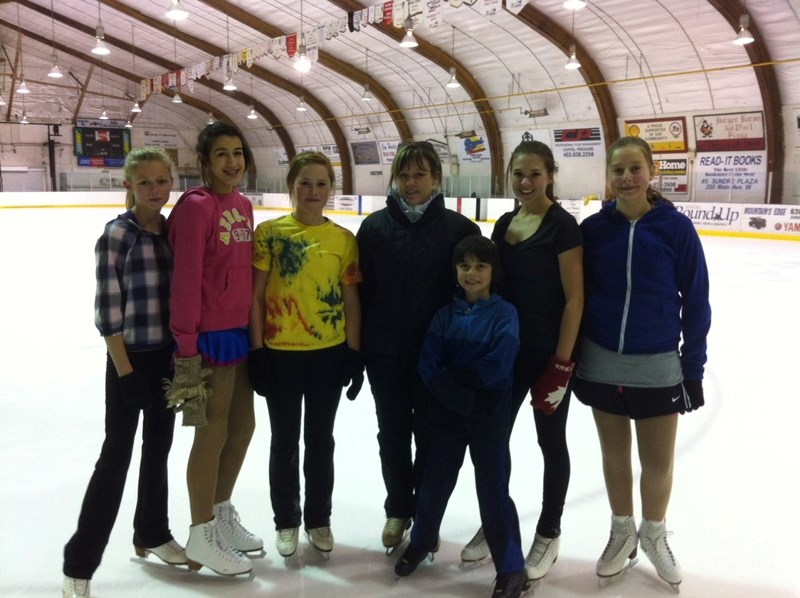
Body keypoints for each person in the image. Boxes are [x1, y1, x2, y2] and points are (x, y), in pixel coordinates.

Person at [572, 136, 710, 590]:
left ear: (652, 172)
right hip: (601, 360)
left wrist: (693, 370)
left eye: (635, 168)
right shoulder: (594, 229)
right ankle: (620, 531)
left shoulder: (676, 229)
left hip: (656, 364)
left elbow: (697, 303)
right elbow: (576, 296)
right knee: (614, 454)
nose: (626, 177)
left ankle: (653, 534)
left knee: (657, 462)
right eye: (617, 170)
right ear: (608, 177)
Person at [63, 147, 185, 598]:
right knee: (116, 457)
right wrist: (126, 373)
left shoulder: (173, 233)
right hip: (128, 359)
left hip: (167, 358)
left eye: (162, 180)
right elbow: (107, 312)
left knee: (159, 449)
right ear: (128, 186)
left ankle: (152, 532)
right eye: (145, 182)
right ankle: (80, 561)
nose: (155, 190)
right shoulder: (117, 235)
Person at [461, 140, 584, 582]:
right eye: (518, 174)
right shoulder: (505, 223)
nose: (525, 182)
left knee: (550, 442)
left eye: (534, 173)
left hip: (549, 354)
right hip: (506, 355)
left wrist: (562, 364)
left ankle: (549, 531)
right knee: (492, 442)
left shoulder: (563, 227)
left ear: (550, 175)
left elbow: (574, 300)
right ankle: (496, 520)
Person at [356, 141, 480, 553]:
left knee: (430, 436)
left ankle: (426, 514)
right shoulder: (373, 229)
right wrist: (357, 354)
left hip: (436, 359)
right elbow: (363, 295)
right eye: (404, 175)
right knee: (391, 433)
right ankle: (398, 509)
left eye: (420, 175)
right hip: (385, 355)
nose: (411, 183)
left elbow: (470, 296)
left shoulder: (459, 230)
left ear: (436, 179)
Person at [394, 235, 528, 598]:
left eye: (480, 266)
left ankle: (512, 569)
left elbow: (499, 363)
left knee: (492, 489)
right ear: (455, 271)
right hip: (448, 415)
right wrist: (453, 395)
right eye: (465, 266)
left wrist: (463, 390)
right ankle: (421, 541)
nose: (472, 273)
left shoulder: (505, 314)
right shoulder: (444, 315)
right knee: (435, 482)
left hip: (488, 416)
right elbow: (429, 363)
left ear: (492, 272)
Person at [249, 151, 363, 559]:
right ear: (291, 187)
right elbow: (256, 295)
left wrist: (353, 353)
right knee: (283, 441)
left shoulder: (344, 241)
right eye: (305, 183)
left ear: (331, 190)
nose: (313, 191)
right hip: (280, 355)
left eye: (321, 184)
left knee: (319, 441)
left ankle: (318, 519)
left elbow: (351, 299)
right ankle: (286, 522)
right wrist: (257, 350)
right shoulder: (269, 234)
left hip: (328, 356)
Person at [164, 122, 262, 576]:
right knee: (213, 431)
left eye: (237, 152)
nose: (232, 162)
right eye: (221, 153)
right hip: (206, 338)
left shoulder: (242, 205)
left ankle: (220, 512)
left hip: (238, 331)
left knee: (243, 427)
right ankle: (200, 532)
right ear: (204, 161)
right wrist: (186, 346)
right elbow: (184, 282)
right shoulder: (195, 208)